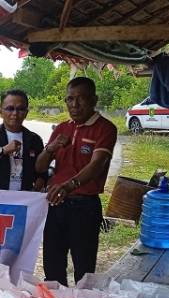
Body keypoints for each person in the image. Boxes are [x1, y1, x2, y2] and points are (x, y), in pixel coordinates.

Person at [35, 77, 117, 285]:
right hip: (56, 205)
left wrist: (68, 186)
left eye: (81, 98)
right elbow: (40, 167)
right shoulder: (62, 128)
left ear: (94, 100)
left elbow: (97, 164)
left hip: (85, 207)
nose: (75, 104)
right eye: (70, 99)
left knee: (84, 270)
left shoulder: (105, 128)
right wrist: (50, 148)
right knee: (52, 268)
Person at [0, 89, 47, 191]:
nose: (15, 113)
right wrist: (2, 151)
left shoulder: (34, 140)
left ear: (26, 112)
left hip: (24, 198)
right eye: (10, 109)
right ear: (1, 112)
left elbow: (42, 171)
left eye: (20, 109)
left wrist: (39, 183)